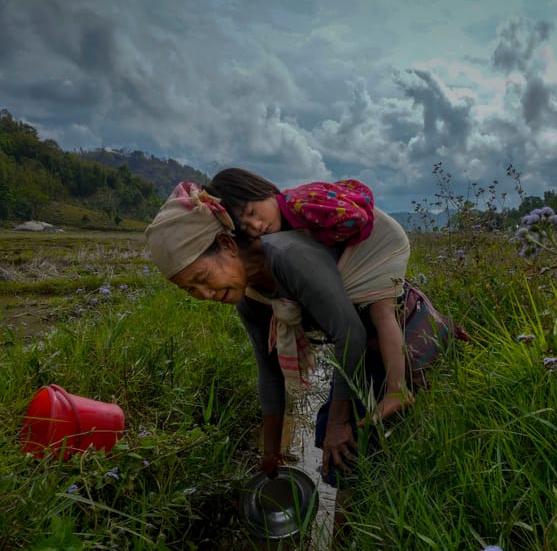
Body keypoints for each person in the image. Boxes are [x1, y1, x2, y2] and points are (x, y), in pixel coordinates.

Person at [144, 179, 411, 481]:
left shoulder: (288, 256)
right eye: (190, 289)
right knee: (338, 451)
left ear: (228, 245)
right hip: (358, 338)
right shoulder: (250, 297)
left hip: (384, 328)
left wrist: (339, 423)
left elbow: (350, 335)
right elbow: (269, 371)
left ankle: (349, 524)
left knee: (345, 448)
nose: (205, 294)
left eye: (203, 277)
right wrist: (270, 450)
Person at [212, 168, 412, 422]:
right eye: (246, 226)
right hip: (358, 249)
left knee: (382, 311)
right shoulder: (278, 233)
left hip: (379, 244)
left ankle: (398, 390)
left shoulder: (301, 204)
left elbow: (357, 218)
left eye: (252, 213)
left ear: (263, 190)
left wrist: (314, 238)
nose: (257, 226)